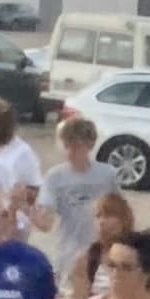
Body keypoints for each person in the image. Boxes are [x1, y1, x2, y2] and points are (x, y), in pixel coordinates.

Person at [41, 112, 113, 272]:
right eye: (67, 146)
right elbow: (46, 222)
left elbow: (120, 215)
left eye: (76, 146)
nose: (70, 151)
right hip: (67, 255)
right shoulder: (54, 177)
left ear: (90, 145)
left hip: (101, 256)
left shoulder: (108, 175)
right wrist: (29, 210)